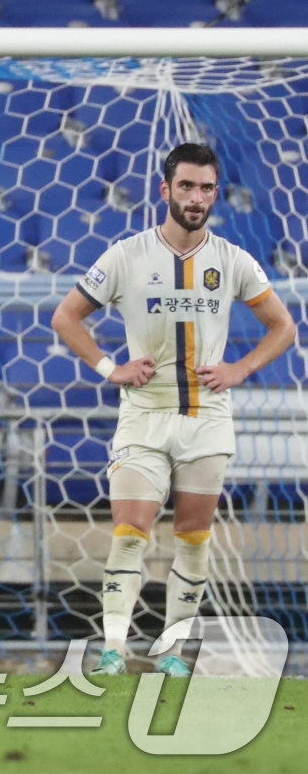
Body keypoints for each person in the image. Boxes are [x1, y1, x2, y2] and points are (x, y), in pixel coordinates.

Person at [51, 143, 296, 677]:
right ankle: (114, 647)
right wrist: (108, 367)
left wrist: (241, 369)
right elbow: (67, 317)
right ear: (166, 189)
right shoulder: (126, 255)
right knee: (130, 531)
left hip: (207, 420)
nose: (196, 197)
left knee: (192, 536)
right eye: (186, 186)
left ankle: (172, 651)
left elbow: (284, 326)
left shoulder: (234, 260)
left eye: (206, 188)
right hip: (144, 414)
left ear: (215, 194)